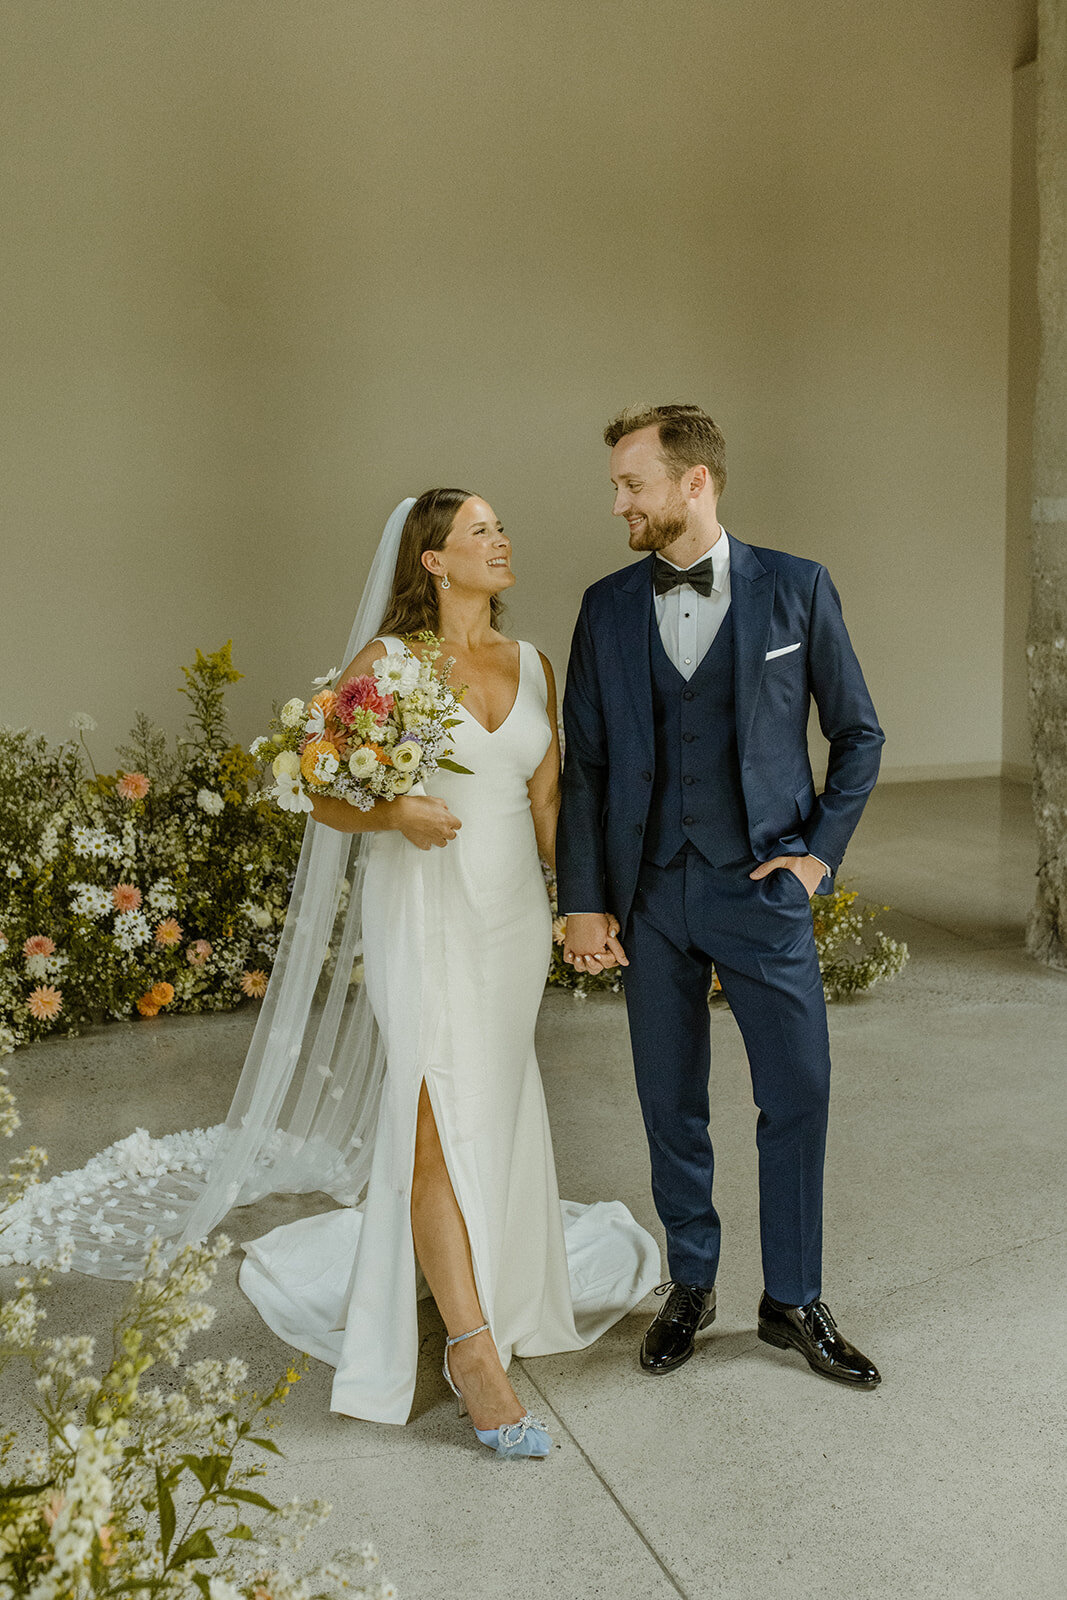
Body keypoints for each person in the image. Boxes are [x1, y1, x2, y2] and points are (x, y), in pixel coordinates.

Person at [237, 489, 660, 1454]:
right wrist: (393, 815)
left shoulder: (534, 664)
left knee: (493, 1099)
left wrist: (583, 909)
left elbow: (548, 801)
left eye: (501, 525)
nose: (500, 538)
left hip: (508, 920)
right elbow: (319, 785)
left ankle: (486, 1286)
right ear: (432, 560)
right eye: (479, 531)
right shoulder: (390, 666)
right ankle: (470, 1349)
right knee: (431, 1109)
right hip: (423, 912)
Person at [557, 405, 884, 1387]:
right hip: (651, 894)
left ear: (692, 483)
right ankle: (689, 1282)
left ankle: (790, 1298)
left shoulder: (797, 588)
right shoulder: (605, 604)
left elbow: (858, 734)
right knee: (670, 1102)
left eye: (632, 484)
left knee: (796, 1093)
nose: (616, 500)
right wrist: (584, 898)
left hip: (762, 890)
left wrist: (817, 853)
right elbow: (587, 769)